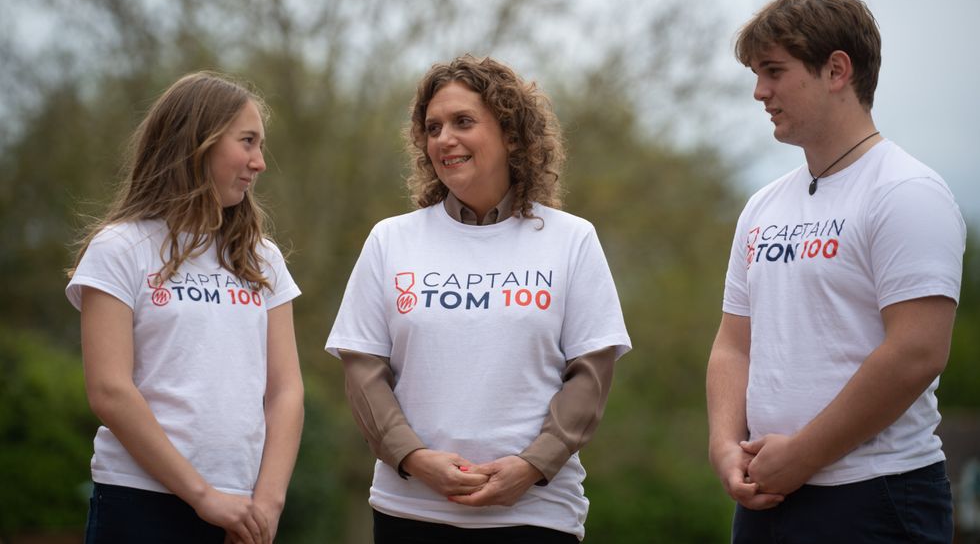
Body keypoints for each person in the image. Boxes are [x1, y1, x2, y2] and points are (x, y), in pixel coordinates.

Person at [326, 54, 631, 542]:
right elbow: (363, 370)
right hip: (409, 512)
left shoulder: (572, 239)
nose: (444, 139)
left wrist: (532, 466)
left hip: (536, 515)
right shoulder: (390, 240)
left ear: (511, 134)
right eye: (433, 127)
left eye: (463, 122)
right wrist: (415, 458)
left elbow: (590, 377)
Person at [706, 0, 967, 543]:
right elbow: (734, 344)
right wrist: (725, 446)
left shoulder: (906, 191)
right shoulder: (762, 206)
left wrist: (802, 455)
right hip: (765, 494)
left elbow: (917, 352)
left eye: (774, 71)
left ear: (836, 70)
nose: (760, 92)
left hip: (878, 495)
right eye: (757, 74)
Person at [66, 71, 304, 544]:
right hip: (138, 502)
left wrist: (268, 505)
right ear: (197, 143)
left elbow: (286, 391)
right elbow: (110, 390)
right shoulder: (119, 248)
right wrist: (202, 496)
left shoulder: (263, 259)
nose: (259, 162)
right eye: (248, 142)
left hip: (243, 509)